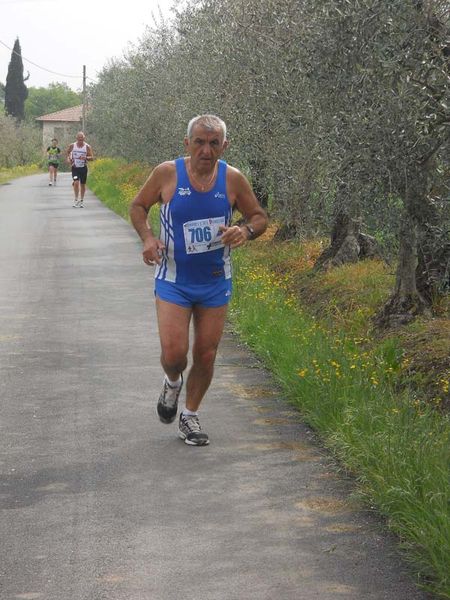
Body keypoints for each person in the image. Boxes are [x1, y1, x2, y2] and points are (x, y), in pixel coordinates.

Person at [130, 114, 268, 446]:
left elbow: (259, 217)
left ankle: (189, 416)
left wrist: (245, 231)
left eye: (214, 143)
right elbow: (138, 206)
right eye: (200, 142)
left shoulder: (233, 179)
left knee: (206, 354)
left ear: (225, 146)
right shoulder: (167, 173)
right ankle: (172, 382)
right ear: (187, 143)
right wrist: (148, 238)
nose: (206, 151)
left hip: (215, 281)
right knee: (176, 355)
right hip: (174, 279)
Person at [66, 131, 94, 208]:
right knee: (76, 182)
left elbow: (92, 157)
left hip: (83, 168)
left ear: (84, 139)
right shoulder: (72, 146)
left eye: (82, 138)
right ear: (76, 138)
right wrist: (68, 159)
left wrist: (85, 157)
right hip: (75, 168)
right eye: (79, 138)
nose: (80, 140)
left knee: (82, 184)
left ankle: (81, 200)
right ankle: (75, 199)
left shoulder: (87, 147)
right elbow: (68, 153)